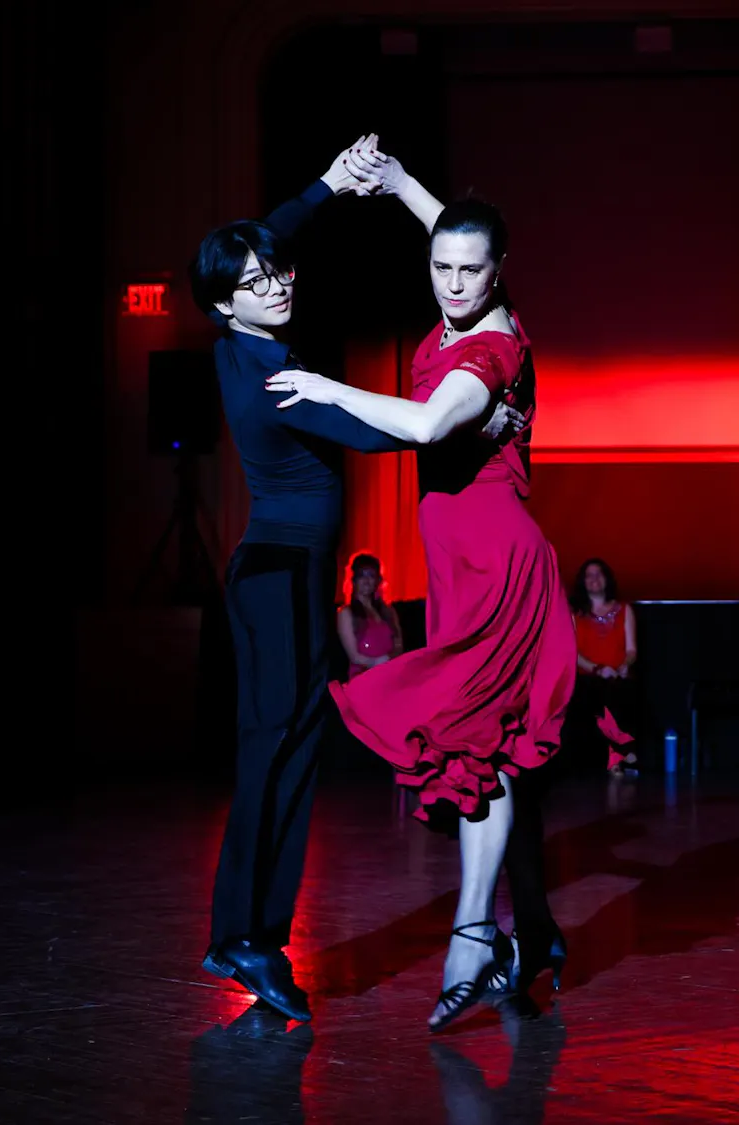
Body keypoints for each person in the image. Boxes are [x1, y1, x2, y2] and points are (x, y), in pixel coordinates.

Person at [188, 136, 518, 1022]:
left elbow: (266, 238)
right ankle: (248, 935)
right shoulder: (275, 375)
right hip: (281, 575)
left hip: (281, 572)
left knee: (287, 748)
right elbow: (391, 434)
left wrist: (326, 187)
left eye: (280, 271)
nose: (280, 283)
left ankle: (250, 931)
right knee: (280, 751)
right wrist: (463, 419)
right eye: (259, 282)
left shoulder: (238, 339)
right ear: (227, 304)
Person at [265, 151, 575, 1029]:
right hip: (459, 569)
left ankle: (476, 935)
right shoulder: (461, 305)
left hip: (498, 564)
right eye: (440, 267)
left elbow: (429, 423)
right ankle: (530, 932)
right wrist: (399, 181)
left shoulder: (493, 343)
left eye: (472, 270)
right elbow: (453, 230)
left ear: (500, 273)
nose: (453, 283)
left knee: (484, 744)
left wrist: (325, 383)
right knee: (497, 750)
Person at [570, 558, 639, 774]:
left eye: (598, 574)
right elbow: (571, 653)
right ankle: (621, 752)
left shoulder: (624, 610)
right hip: (587, 675)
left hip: (618, 675)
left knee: (617, 692)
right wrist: (598, 669)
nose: (594, 579)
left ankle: (618, 756)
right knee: (599, 694)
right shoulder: (574, 613)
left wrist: (624, 666)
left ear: (607, 579)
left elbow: (631, 650)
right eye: (589, 575)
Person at [337, 552, 403, 680]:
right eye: (362, 575)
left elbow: (399, 646)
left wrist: (389, 662)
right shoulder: (346, 613)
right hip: (363, 679)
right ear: (354, 580)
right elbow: (354, 656)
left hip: (390, 676)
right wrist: (376, 662)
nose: (366, 581)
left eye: (371, 575)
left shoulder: (388, 612)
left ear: (378, 580)